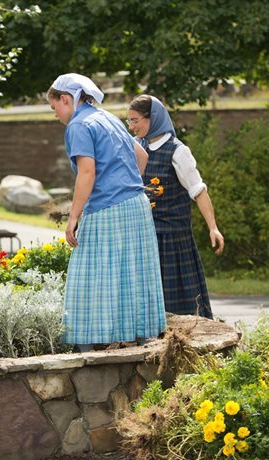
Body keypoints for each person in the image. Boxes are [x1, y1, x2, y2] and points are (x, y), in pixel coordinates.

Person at [47, 73, 166, 351]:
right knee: (131, 272)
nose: (55, 115)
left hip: (107, 208)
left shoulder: (78, 126)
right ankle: (139, 339)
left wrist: (73, 217)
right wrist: (125, 186)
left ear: (67, 99)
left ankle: (91, 345)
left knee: (92, 275)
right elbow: (142, 157)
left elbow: (87, 173)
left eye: (55, 108)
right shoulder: (108, 118)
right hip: (136, 204)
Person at [127, 95, 224, 318]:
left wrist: (213, 227)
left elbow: (198, 191)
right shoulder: (138, 148)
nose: (131, 127)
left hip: (173, 240)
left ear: (152, 118)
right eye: (129, 122)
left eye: (135, 121)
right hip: (145, 236)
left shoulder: (178, 151)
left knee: (181, 306)